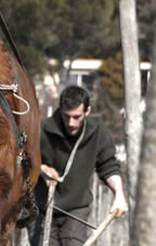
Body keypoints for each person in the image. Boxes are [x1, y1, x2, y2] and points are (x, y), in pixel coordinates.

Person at [28, 85, 128, 246]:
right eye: (66, 116)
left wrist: (119, 194)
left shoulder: (97, 131)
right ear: (60, 110)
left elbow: (108, 166)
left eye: (76, 117)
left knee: (73, 242)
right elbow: (24, 159)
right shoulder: (43, 129)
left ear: (87, 111)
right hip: (42, 206)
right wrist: (42, 168)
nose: (71, 123)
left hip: (76, 207)